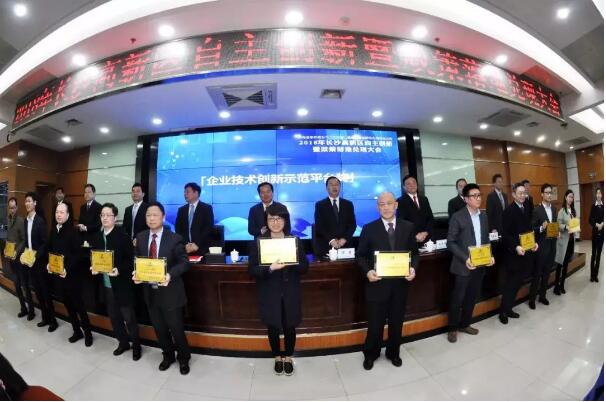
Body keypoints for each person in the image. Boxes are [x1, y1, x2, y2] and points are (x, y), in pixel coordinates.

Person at [357, 192, 417, 370]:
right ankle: (371, 354)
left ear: (396, 205)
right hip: (377, 285)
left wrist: (413, 268)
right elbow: (360, 256)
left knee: (396, 322)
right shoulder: (369, 228)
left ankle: (393, 353)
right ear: (378, 208)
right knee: (375, 324)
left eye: (389, 203)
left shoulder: (408, 227)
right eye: (382, 204)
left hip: (400, 286)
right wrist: (368, 271)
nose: (386, 207)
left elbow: (415, 254)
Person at [248, 203, 308, 376]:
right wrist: (270, 268)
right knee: (273, 327)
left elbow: (305, 267)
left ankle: (288, 357)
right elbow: (252, 270)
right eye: (271, 219)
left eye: (279, 218)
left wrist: (292, 261)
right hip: (269, 292)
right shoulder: (259, 242)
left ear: (285, 220)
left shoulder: (294, 240)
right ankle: (276, 357)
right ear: (266, 221)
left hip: (290, 292)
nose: (275, 222)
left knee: (290, 327)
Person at [134, 202, 191, 374]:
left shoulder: (174, 238)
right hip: (150, 293)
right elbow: (137, 259)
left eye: (155, 215)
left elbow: (184, 263)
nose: (151, 218)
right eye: (148, 215)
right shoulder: (141, 237)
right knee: (159, 329)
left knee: (176, 329)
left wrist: (170, 275)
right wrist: (136, 273)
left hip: (171, 293)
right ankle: (168, 355)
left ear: (163, 217)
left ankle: (183, 358)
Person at [91, 203, 140, 360]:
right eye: (102, 215)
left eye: (108, 215)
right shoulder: (97, 237)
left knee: (129, 318)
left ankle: (136, 346)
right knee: (114, 317)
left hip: (122, 285)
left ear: (115, 218)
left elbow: (131, 261)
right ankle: (123, 343)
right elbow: (94, 257)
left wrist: (119, 269)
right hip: (106, 285)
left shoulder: (123, 236)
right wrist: (93, 267)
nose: (105, 218)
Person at [446, 183, 494, 343]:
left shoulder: (483, 216)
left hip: (480, 264)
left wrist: (490, 255)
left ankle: (465, 324)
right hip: (463, 265)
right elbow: (451, 242)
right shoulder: (457, 216)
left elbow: (486, 239)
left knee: (472, 296)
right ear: (466, 199)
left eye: (479, 195)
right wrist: (465, 258)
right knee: (458, 298)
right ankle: (452, 328)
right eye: (474, 196)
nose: (478, 198)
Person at [47, 202, 93, 346]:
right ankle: (77, 331)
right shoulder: (54, 230)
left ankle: (88, 333)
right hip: (59, 276)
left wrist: (66, 268)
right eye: (57, 212)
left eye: (62, 212)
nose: (58, 215)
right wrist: (49, 264)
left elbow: (78, 255)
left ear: (68, 214)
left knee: (79, 306)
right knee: (68, 305)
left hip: (72, 276)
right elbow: (51, 250)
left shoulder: (74, 232)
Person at [499, 182, 538, 324]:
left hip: (525, 252)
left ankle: (509, 308)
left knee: (517, 283)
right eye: (520, 193)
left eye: (524, 193)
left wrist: (533, 242)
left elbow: (529, 228)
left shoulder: (526, 207)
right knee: (510, 283)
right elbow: (505, 234)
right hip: (513, 254)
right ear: (514, 194)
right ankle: (503, 312)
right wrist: (516, 246)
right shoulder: (508, 211)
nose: (523, 195)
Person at [23, 192, 57, 332]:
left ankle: (53, 321)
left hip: (40, 262)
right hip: (30, 262)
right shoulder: (26, 220)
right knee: (37, 291)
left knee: (45, 292)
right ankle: (45, 317)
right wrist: (26, 255)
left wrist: (36, 256)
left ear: (35, 203)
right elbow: (27, 242)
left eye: (29, 201)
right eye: (26, 201)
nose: (27, 203)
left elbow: (45, 243)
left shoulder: (40, 221)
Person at [528, 183, 557, 309]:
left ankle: (542, 296)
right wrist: (541, 227)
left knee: (547, 273)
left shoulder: (554, 209)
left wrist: (557, 232)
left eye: (551, 192)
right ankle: (532, 299)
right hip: (541, 247)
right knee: (537, 273)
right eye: (547, 192)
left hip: (552, 245)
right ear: (542, 194)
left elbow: (554, 225)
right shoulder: (536, 210)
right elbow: (532, 229)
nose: (549, 195)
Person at [313, 176, 356, 257]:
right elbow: (319, 226)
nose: (334, 187)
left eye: (336, 185)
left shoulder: (348, 204)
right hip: (327, 246)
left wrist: (344, 239)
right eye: (331, 184)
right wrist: (331, 240)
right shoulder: (320, 205)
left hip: (346, 246)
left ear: (340, 187)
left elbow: (352, 225)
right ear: (327, 188)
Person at [6, 197, 33, 320]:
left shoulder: (21, 221)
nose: (12, 210)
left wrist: (16, 251)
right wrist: (7, 249)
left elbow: (24, 240)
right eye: (10, 208)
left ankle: (31, 311)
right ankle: (23, 308)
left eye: (13, 207)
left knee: (25, 286)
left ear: (17, 207)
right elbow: (9, 238)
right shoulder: (8, 219)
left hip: (20, 259)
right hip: (11, 258)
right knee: (17, 285)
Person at [175, 182, 214, 255]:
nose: (185, 194)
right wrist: (186, 245)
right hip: (185, 249)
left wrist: (197, 244)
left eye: (187, 192)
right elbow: (178, 229)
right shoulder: (181, 210)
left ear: (196, 193)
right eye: (184, 192)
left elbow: (208, 228)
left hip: (202, 249)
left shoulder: (206, 208)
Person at [396, 175, 434, 245]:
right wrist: (415, 236)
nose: (412, 185)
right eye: (408, 183)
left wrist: (426, 232)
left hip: (427, 238)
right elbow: (402, 222)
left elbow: (430, 218)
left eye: (414, 182)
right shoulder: (400, 201)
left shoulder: (424, 199)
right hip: (412, 239)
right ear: (404, 187)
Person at [554, 189, 576, 295]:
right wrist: (566, 227)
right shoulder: (562, 211)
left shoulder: (573, 211)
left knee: (566, 264)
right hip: (563, 242)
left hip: (571, 241)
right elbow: (558, 225)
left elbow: (575, 223)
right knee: (560, 264)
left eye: (572, 197)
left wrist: (576, 228)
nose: (571, 199)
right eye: (569, 197)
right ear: (565, 197)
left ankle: (562, 285)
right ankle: (556, 287)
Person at [589, 187, 603, 282]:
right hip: (594, 233)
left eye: (600, 193)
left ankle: (596, 275)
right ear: (596, 195)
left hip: (602, 233)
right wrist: (596, 224)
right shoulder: (593, 206)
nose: (598, 195)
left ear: (601, 195)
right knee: (593, 254)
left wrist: (602, 224)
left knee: (599, 255)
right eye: (597, 193)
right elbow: (590, 219)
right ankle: (591, 275)